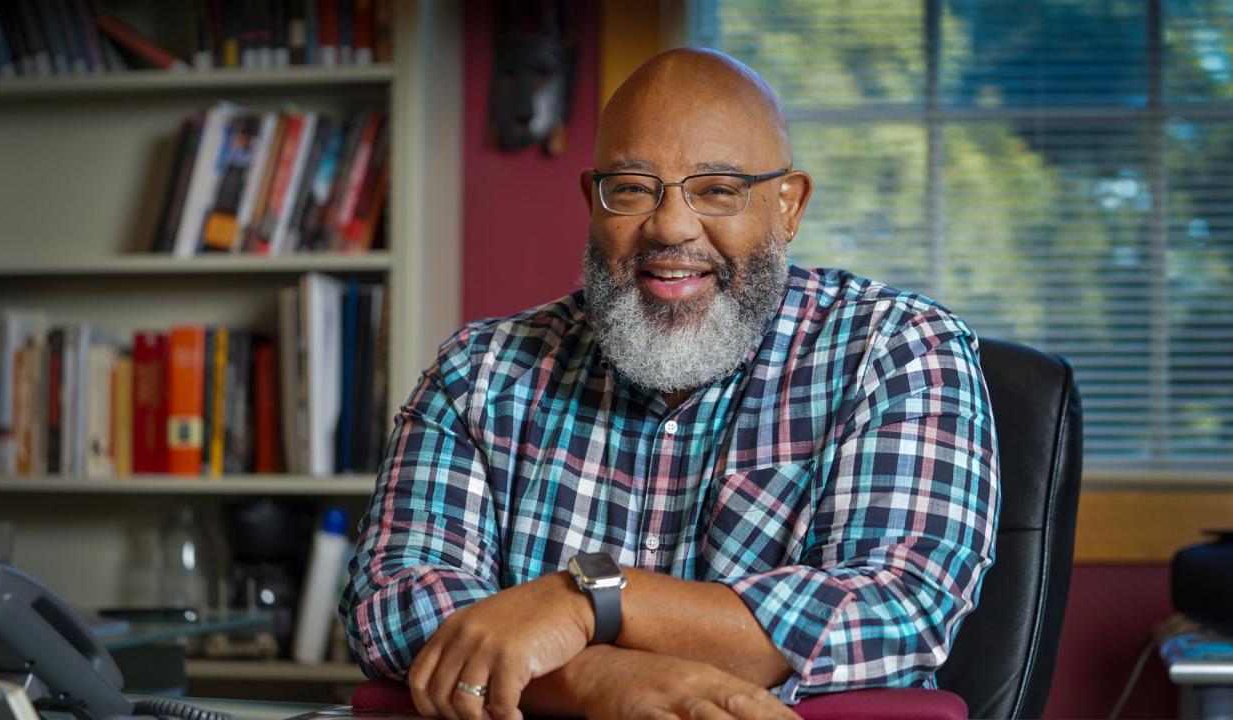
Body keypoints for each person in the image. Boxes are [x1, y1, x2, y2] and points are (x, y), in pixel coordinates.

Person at [340, 48, 1000, 720]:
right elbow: (393, 602)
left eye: (718, 189)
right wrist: (597, 682)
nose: (671, 227)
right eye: (630, 189)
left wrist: (589, 599)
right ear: (591, 204)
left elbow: (892, 608)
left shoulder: (898, 349)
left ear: (788, 206)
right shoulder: (478, 371)